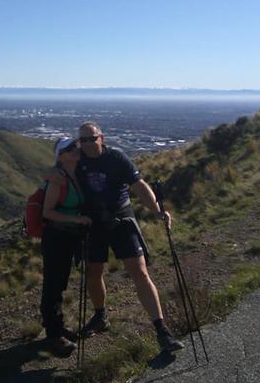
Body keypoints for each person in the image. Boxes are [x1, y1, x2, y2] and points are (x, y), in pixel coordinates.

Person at [74, 121, 184, 353]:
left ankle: (162, 329)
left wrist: (157, 211)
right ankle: (101, 316)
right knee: (93, 273)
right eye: (82, 140)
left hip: (121, 220)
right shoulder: (77, 161)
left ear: (101, 138)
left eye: (91, 138)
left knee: (140, 271)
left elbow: (139, 185)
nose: (87, 143)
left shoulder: (116, 158)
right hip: (93, 224)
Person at [40, 136, 93, 357]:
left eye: (76, 146)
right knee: (53, 285)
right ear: (61, 156)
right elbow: (47, 212)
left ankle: (58, 328)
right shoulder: (58, 179)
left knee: (59, 283)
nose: (76, 150)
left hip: (70, 236)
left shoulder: (78, 171)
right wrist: (76, 220)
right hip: (56, 236)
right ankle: (54, 335)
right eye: (71, 148)